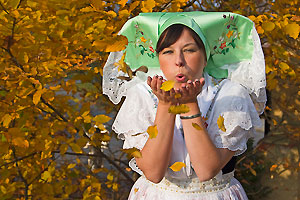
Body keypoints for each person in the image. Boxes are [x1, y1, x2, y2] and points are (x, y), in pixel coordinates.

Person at [103, 11, 266, 200]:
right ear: (159, 59)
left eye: (189, 50)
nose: (178, 60)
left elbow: (206, 170)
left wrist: (190, 104)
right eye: (168, 51)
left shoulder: (230, 94)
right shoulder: (141, 94)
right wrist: (165, 105)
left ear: (205, 57)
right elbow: (154, 173)